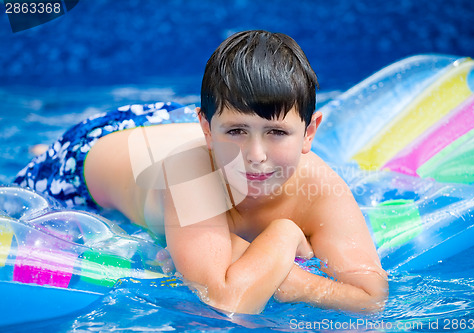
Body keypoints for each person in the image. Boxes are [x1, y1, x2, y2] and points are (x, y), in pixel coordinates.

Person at [14, 30, 388, 314]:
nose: (256, 156)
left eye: (277, 133)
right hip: (88, 155)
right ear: (207, 129)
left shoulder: (320, 185)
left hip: (175, 124)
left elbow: (371, 298)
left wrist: (294, 282)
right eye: (237, 132)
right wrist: (285, 234)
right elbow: (226, 301)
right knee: (43, 162)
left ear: (309, 133)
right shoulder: (190, 177)